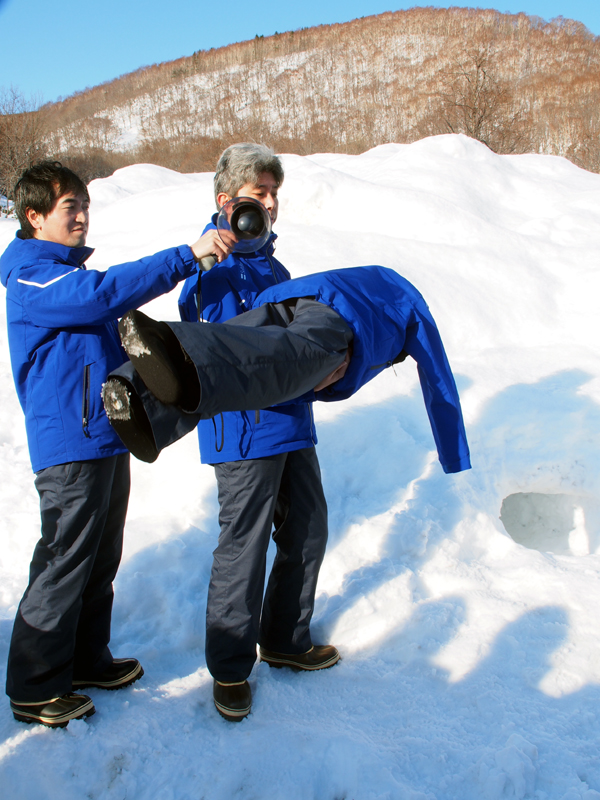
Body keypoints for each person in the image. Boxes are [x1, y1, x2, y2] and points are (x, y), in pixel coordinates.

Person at [0, 160, 232, 728]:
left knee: (99, 557)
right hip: (68, 444)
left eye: (84, 205)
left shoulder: (63, 276)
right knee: (63, 559)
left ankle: (84, 659)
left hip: (101, 436)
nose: (81, 216)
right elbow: (101, 294)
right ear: (33, 217)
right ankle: (34, 686)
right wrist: (186, 255)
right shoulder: (35, 277)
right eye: (67, 208)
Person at [177, 144, 338, 723]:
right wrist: (208, 265)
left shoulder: (274, 265)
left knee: (309, 527)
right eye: (257, 194)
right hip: (243, 430)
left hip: (292, 420)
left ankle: (286, 640)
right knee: (242, 547)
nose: (269, 204)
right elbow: (217, 345)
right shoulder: (209, 270)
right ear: (227, 203)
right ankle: (228, 668)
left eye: (273, 193)